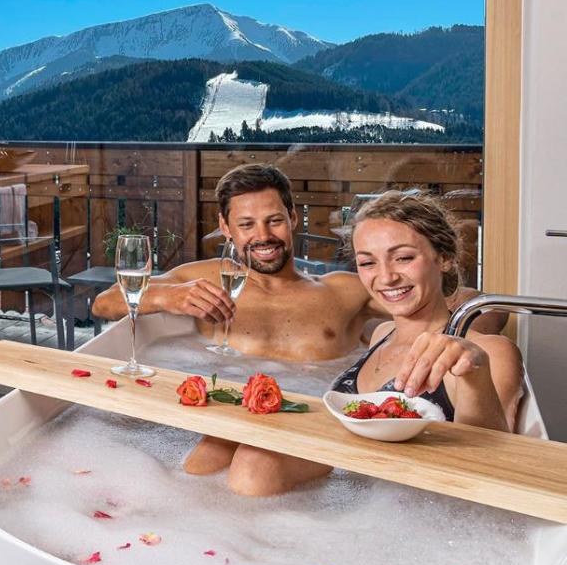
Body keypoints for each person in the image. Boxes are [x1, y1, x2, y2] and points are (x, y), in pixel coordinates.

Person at [217, 190, 524, 496]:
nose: (386, 277)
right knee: (235, 453)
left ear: (443, 258)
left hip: (420, 506)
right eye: (367, 263)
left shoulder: (487, 352)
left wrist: (474, 374)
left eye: (403, 258)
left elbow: (496, 467)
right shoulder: (382, 333)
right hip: (352, 497)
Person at [88, 163, 501, 363]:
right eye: (246, 225)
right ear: (226, 228)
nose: (263, 236)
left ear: (293, 219)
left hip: (316, 422)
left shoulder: (344, 290)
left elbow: (485, 309)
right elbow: (104, 303)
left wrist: (450, 340)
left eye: (274, 221)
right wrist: (167, 296)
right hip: (222, 413)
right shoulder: (202, 279)